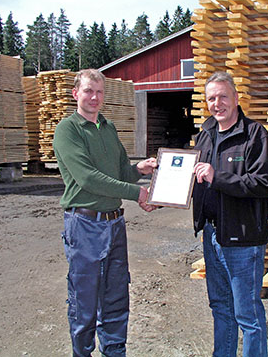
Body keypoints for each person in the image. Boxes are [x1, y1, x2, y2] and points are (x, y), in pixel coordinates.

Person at [53, 69, 157, 357]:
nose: (94, 97)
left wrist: (138, 170)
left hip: (114, 224)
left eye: (99, 92)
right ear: (76, 93)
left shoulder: (107, 128)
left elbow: (120, 172)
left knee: (115, 298)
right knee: (84, 303)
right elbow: (88, 178)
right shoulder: (68, 130)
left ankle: (114, 352)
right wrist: (137, 193)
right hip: (84, 225)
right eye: (88, 91)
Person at [192, 71, 268, 357]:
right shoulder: (205, 136)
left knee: (248, 315)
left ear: (236, 98)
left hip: (243, 239)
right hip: (212, 235)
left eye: (223, 96)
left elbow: (263, 184)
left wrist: (219, 177)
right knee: (220, 308)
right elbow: (194, 179)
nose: (218, 103)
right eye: (211, 98)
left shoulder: (255, 136)